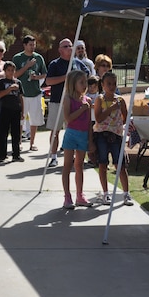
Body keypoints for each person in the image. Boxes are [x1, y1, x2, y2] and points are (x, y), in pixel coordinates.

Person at [45, 38, 89, 167]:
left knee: (75, 129)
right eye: (65, 46)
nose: (69, 48)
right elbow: (48, 81)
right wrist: (66, 77)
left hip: (75, 102)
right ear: (59, 50)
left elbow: (87, 75)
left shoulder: (77, 63)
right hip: (58, 101)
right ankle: (53, 157)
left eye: (70, 46)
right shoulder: (55, 64)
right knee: (55, 130)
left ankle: (76, 157)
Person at [93, 71, 133, 206]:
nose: (111, 86)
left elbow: (125, 117)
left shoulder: (120, 100)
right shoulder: (100, 99)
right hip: (102, 135)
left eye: (114, 84)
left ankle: (126, 193)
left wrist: (119, 116)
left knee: (120, 165)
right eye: (108, 84)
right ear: (103, 85)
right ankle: (105, 193)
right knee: (103, 164)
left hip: (116, 135)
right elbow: (98, 118)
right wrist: (111, 109)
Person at [61, 70, 95, 209]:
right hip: (71, 134)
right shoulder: (68, 99)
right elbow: (68, 118)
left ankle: (80, 195)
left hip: (82, 135)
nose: (84, 85)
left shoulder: (87, 100)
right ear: (73, 84)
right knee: (67, 165)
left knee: (79, 165)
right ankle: (67, 196)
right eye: (81, 82)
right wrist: (81, 109)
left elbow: (89, 123)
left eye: (85, 82)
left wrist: (90, 141)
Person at [12, 35, 47, 152]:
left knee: (35, 119)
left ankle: (32, 143)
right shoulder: (17, 58)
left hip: (35, 93)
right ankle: (19, 143)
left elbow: (44, 74)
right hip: (21, 94)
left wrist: (36, 77)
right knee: (20, 119)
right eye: (30, 45)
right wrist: (26, 66)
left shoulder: (39, 58)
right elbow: (14, 75)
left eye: (34, 45)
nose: (33, 47)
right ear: (25, 45)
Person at [0, 61, 24, 162]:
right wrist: (9, 89)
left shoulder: (18, 82)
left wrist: (22, 111)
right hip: (5, 109)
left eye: (12, 70)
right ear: (5, 71)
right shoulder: (1, 82)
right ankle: (2, 155)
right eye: (8, 70)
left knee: (16, 133)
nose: (11, 72)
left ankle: (16, 154)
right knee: (3, 133)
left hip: (16, 109)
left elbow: (21, 97)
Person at [86, 75, 100, 166]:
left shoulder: (99, 96)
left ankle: (99, 158)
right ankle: (91, 158)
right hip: (89, 120)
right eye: (90, 87)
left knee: (98, 139)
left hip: (98, 120)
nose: (92, 89)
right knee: (89, 139)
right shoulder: (86, 96)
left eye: (94, 87)